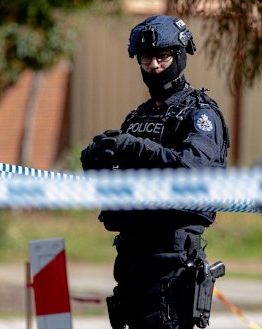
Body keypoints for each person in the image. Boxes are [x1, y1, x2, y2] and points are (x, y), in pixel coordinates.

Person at [80, 15, 229, 329]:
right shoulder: (137, 118)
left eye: (163, 57)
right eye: (146, 58)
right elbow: (114, 186)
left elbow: (191, 169)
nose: (154, 66)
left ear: (180, 56)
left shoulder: (200, 115)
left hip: (172, 260)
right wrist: (96, 161)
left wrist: (134, 148)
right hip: (131, 258)